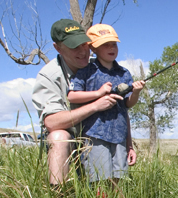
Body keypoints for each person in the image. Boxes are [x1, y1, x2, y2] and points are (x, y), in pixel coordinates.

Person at [32, 19, 123, 187]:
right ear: (58, 48)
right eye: (75, 47)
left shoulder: (99, 67)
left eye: (84, 44)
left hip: (97, 137)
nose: (83, 52)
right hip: (72, 142)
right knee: (59, 137)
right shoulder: (49, 76)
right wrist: (96, 105)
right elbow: (51, 122)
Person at [67, 24, 145, 184]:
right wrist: (99, 93)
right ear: (93, 48)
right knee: (99, 179)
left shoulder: (124, 73)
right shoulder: (87, 70)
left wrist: (136, 92)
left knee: (118, 178)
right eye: (105, 45)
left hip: (119, 135)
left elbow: (128, 104)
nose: (111, 48)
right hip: (95, 134)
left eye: (114, 44)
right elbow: (72, 95)